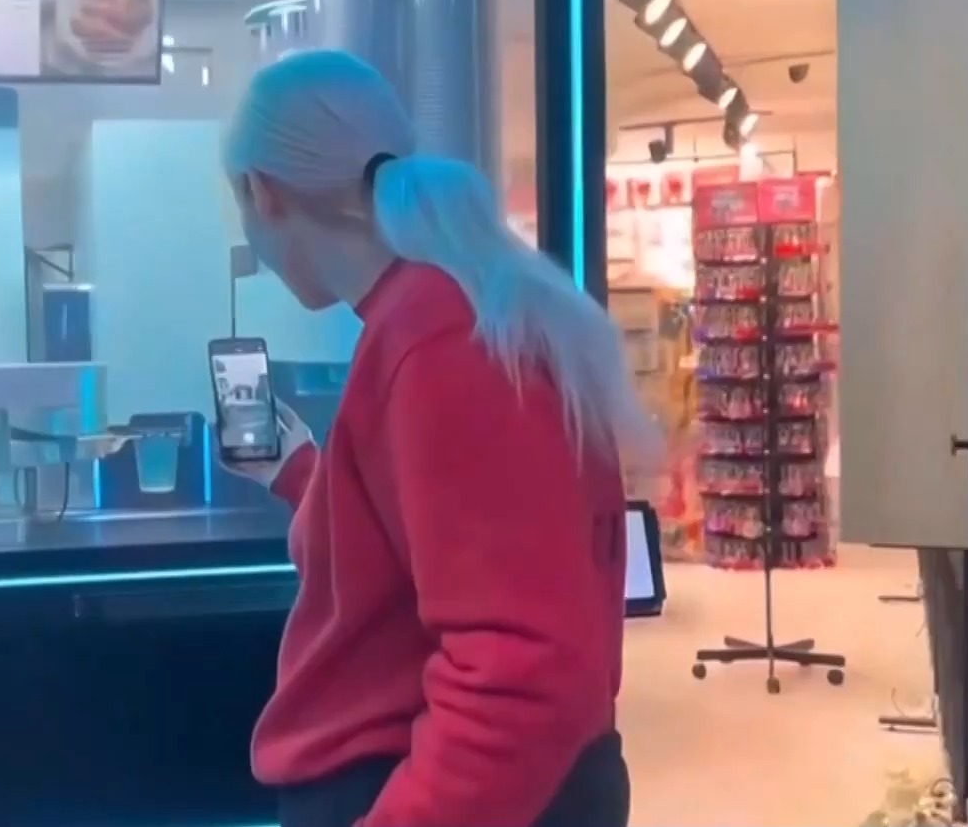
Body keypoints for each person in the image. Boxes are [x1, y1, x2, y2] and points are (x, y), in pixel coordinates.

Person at [219, 49, 655, 827]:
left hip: (417, 786)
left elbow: (519, 672)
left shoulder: (435, 335)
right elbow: (440, 547)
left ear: (262, 192)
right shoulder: (458, 310)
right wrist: (302, 472)